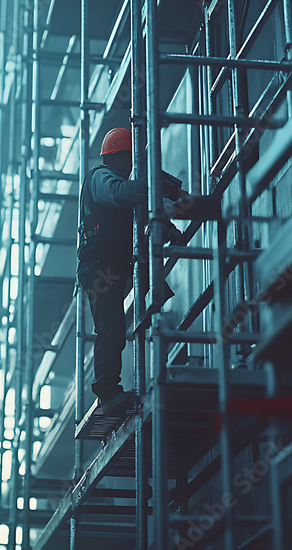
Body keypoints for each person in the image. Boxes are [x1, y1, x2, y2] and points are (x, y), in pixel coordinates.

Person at [77, 127, 184, 414]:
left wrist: (168, 226)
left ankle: (158, 303)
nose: (132, 165)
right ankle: (108, 393)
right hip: (99, 267)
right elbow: (121, 194)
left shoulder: (124, 186)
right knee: (110, 329)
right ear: (117, 156)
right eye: (130, 158)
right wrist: (149, 182)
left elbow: (142, 218)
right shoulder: (100, 178)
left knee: (118, 324)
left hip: (114, 264)